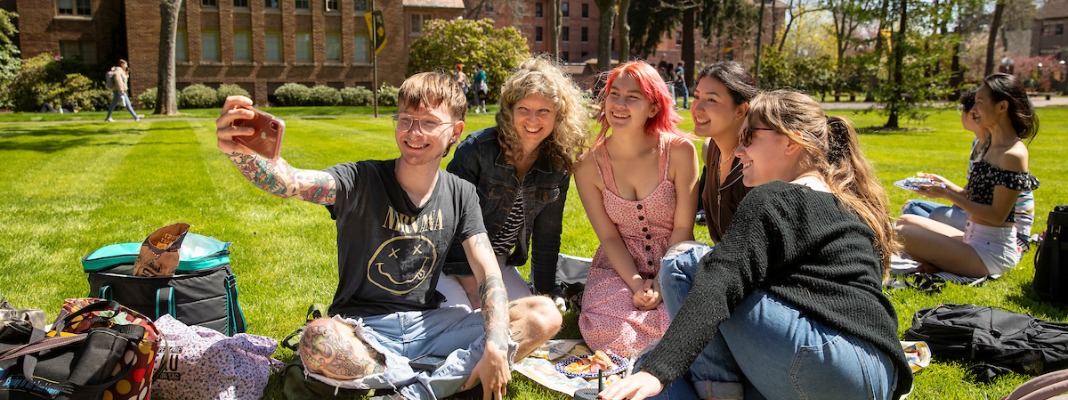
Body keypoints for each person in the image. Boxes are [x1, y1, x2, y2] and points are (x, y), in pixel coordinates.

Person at [214, 72, 562, 399]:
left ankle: (408, 387)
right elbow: (292, 182)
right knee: (319, 338)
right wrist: (238, 151)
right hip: (366, 331)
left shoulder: (460, 193)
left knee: (544, 314)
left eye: (429, 123)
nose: (414, 133)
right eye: (406, 120)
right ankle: (437, 379)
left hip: (433, 325)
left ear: (455, 131)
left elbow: (487, 271)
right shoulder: (361, 179)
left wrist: (497, 344)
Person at [600, 89, 912, 400]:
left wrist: (658, 369)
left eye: (749, 137)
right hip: (880, 375)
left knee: (685, 261)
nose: (739, 150)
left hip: (822, 363)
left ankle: (718, 394)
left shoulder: (775, 197)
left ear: (791, 140)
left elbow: (718, 282)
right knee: (659, 364)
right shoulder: (852, 205)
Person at [438, 56, 589, 310]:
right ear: (510, 112)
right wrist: (475, 288)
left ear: (558, 116)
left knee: (536, 315)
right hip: (450, 264)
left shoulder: (557, 166)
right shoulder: (477, 151)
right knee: (466, 322)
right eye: (524, 110)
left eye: (544, 111)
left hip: (498, 262)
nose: (533, 120)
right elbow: (450, 226)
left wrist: (545, 293)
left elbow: (547, 237)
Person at [573, 60, 699, 357]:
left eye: (633, 97)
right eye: (614, 94)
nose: (619, 104)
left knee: (689, 323)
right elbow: (609, 237)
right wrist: (636, 284)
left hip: (675, 260)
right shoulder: (588, 165)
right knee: (607, 330)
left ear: (653, 107)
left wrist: (661, 281)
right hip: (619, 266)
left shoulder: (679, 152)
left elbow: (683, 227)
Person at [896, 73, 1040, 278]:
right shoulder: (991, 145)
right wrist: (944, 185)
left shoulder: (1013, 155)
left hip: (991, 253)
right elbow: (974, 195)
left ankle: (939, 261)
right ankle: (939, 261)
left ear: (1002, 106)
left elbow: (997, 216)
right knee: (906, 220)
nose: (974, 109)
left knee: (898, 234)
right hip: (972, 239)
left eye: (980, 102)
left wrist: (947, 195)